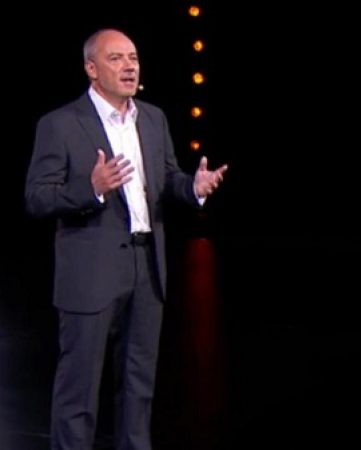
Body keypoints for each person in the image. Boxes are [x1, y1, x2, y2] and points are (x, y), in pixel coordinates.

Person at [24, 28, 228, 450]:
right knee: (79, 391)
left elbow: (166, 178)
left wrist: (193, 187)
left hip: (146, 268)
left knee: (139, 387)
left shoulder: (152, 119)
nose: (129, 66)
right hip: (90, 274)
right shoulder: (60, 124)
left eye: (133, 57)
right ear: (91, 68)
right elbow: (37, 198)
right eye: (116, 58)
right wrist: (91, 188)